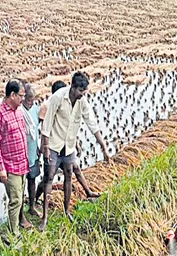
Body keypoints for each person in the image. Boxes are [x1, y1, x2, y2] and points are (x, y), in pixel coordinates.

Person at [40, 72, 110, 230]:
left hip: (68, 146)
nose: (82, 95)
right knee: (49, 177)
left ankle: (66, 211)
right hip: (54, 144)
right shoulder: (58, 97)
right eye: (80, 91)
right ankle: (44, 218)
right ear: (72, 87)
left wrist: (103, 147)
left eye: (84, 92)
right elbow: (47, 122)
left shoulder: (82, 101)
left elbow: (91, 123)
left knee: (69, 177)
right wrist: (45, 148)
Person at [35, 80, 100, 206]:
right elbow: (44, 129)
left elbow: (68, 128)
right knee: (48, 178)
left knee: (75, 168)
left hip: (64, 147)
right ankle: (36, 199)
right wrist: (43, 148)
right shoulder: (48, 106)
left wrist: (76, 143)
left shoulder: (69, 104)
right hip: (53, 147)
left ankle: (88, 191)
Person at [0, 79, 29, 238]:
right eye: (21, 95)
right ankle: (13, 235)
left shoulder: (19, 110)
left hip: (22, 162)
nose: (23, 99)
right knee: (15, 200)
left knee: (20, 198)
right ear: (12, 95)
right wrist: (1, 168)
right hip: (10, 165)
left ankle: (16, 227)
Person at [21, 82, 42, 219]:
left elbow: (36, 130)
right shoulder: (18, 111)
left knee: (32, 180)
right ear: (23, 98)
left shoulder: (35, 109)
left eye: (32, 100)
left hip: (33, 150)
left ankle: (32, 206)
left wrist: (39, 147)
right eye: (28, 100)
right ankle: (20, 211)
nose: (30, 103)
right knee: (20, 184)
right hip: (21, 153)